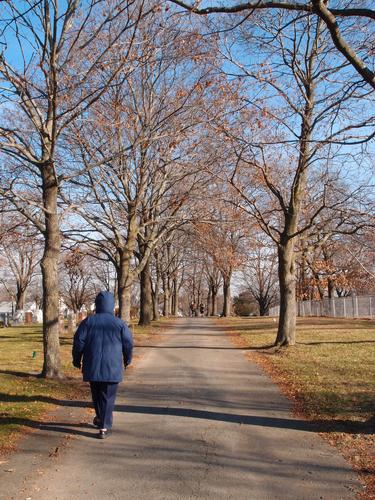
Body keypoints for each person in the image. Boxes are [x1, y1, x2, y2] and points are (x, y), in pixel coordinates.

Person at [72, 291, 133, 439]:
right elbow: (128, 343)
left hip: (92, 365)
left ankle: (101, 419)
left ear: (97, 304)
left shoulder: (88, 322)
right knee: (108, 397)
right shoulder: (119, 324)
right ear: (112, 305)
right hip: (112, 367)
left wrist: (76, 359)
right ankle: (104, 426)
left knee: (97, 395)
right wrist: (127, 359)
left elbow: (78, 342)